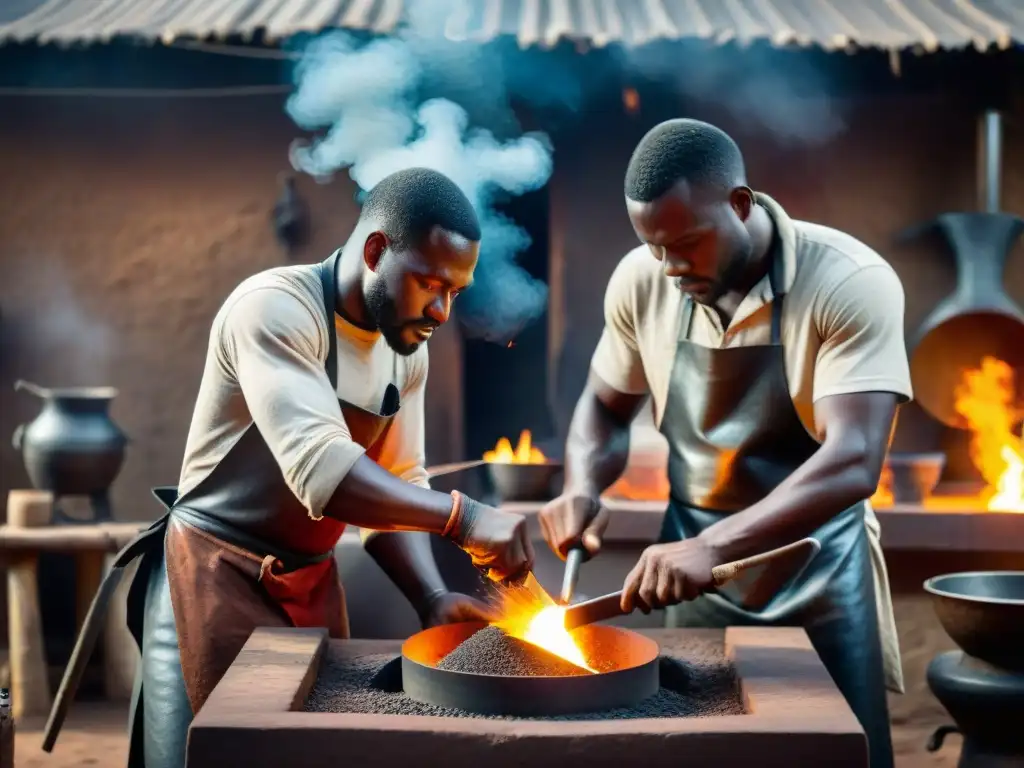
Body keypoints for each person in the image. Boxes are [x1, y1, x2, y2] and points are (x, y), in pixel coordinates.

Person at [47, 168, 534, 768]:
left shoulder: (406, 353)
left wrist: (430, 595)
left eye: (455, 292)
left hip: (311, 587)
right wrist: (464, 517)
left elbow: (402, 483)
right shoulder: (274, 308)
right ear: (377, 250)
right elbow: (322, 471)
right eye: (429, 283)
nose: (441, 310)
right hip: (211, 580)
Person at [539, 120, 910, 768]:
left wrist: (712, 547)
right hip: (694, 577)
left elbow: (854, 459)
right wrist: (580, 486)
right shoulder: (643, 279)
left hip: (816, 567)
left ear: (740, 204)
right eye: (654, 246)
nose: (670, 267)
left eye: (687, 243)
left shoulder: (849, 280)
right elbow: (603, 405)